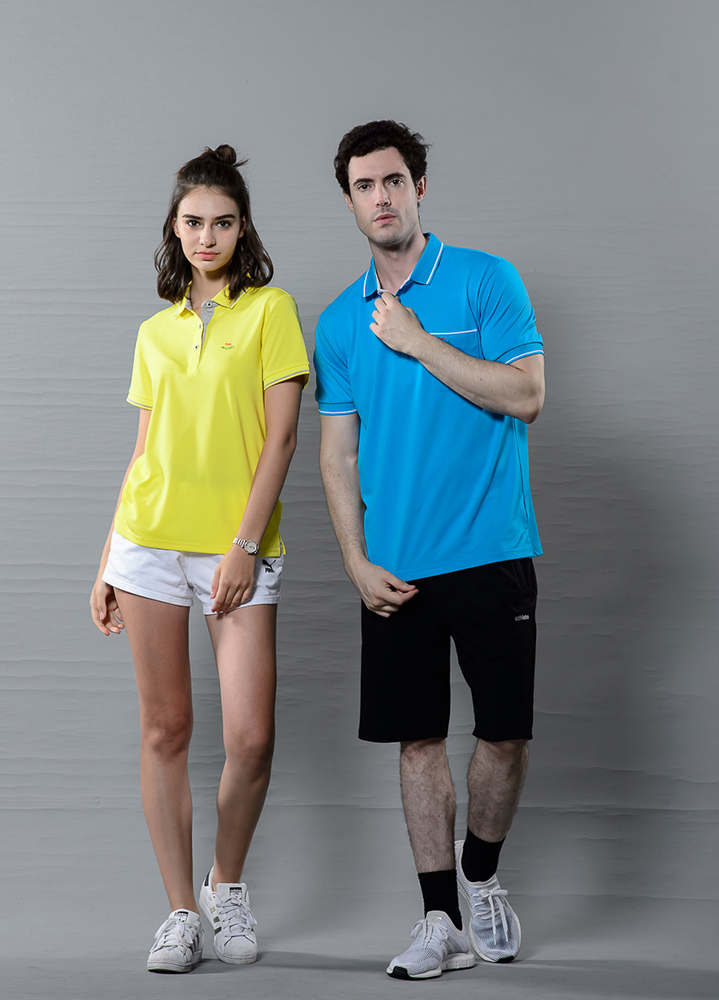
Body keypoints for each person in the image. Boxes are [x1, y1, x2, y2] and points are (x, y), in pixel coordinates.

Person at [314, 120, 545, 980]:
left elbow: (526, 394)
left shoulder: (486, 279)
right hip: (396, 565)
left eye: (392, 181)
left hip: (489, 550)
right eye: (363, 186)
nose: (380, 198)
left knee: (502, 736)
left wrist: (416, 341)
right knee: (417, 743)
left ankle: (480, 876)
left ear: (418, 188)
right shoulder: (338, 322)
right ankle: (439, 919)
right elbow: (337, 455)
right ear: (349, 201)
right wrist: (354, 560)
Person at [90, 145, 309, 973]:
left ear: (242, 227)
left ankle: (226, 882)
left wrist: (243, 547)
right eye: (193, 222)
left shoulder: (272, 312)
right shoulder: (155, 331)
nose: (206, 236)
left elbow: (281, 440)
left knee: (251, 737)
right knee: (166, 729)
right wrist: (107, 561)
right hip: (148, 542)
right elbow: (142, 453)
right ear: (174, 229)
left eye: (221, 222)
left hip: (236, 548)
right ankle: (180, 911)